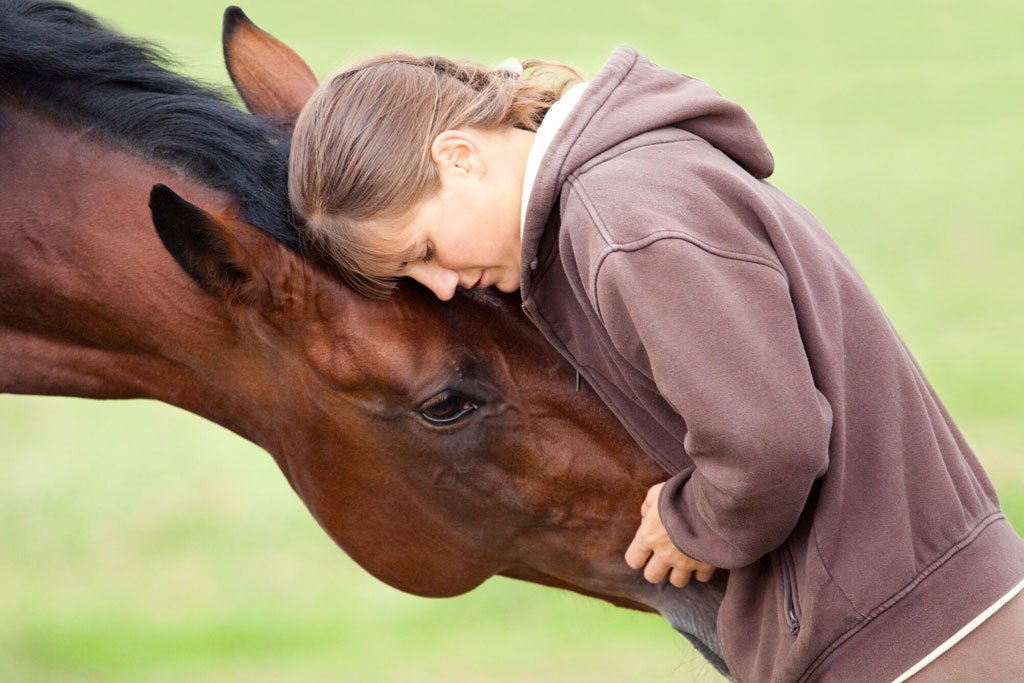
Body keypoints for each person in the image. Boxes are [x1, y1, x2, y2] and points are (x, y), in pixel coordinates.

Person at [286, 47, 1024, 682]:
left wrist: (687, 523)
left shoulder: (618, 224)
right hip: (933, 622)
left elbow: (771, 445)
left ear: (459, 155)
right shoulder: (629, 187)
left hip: (913, 646)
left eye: (423, 250)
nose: (443, 285)